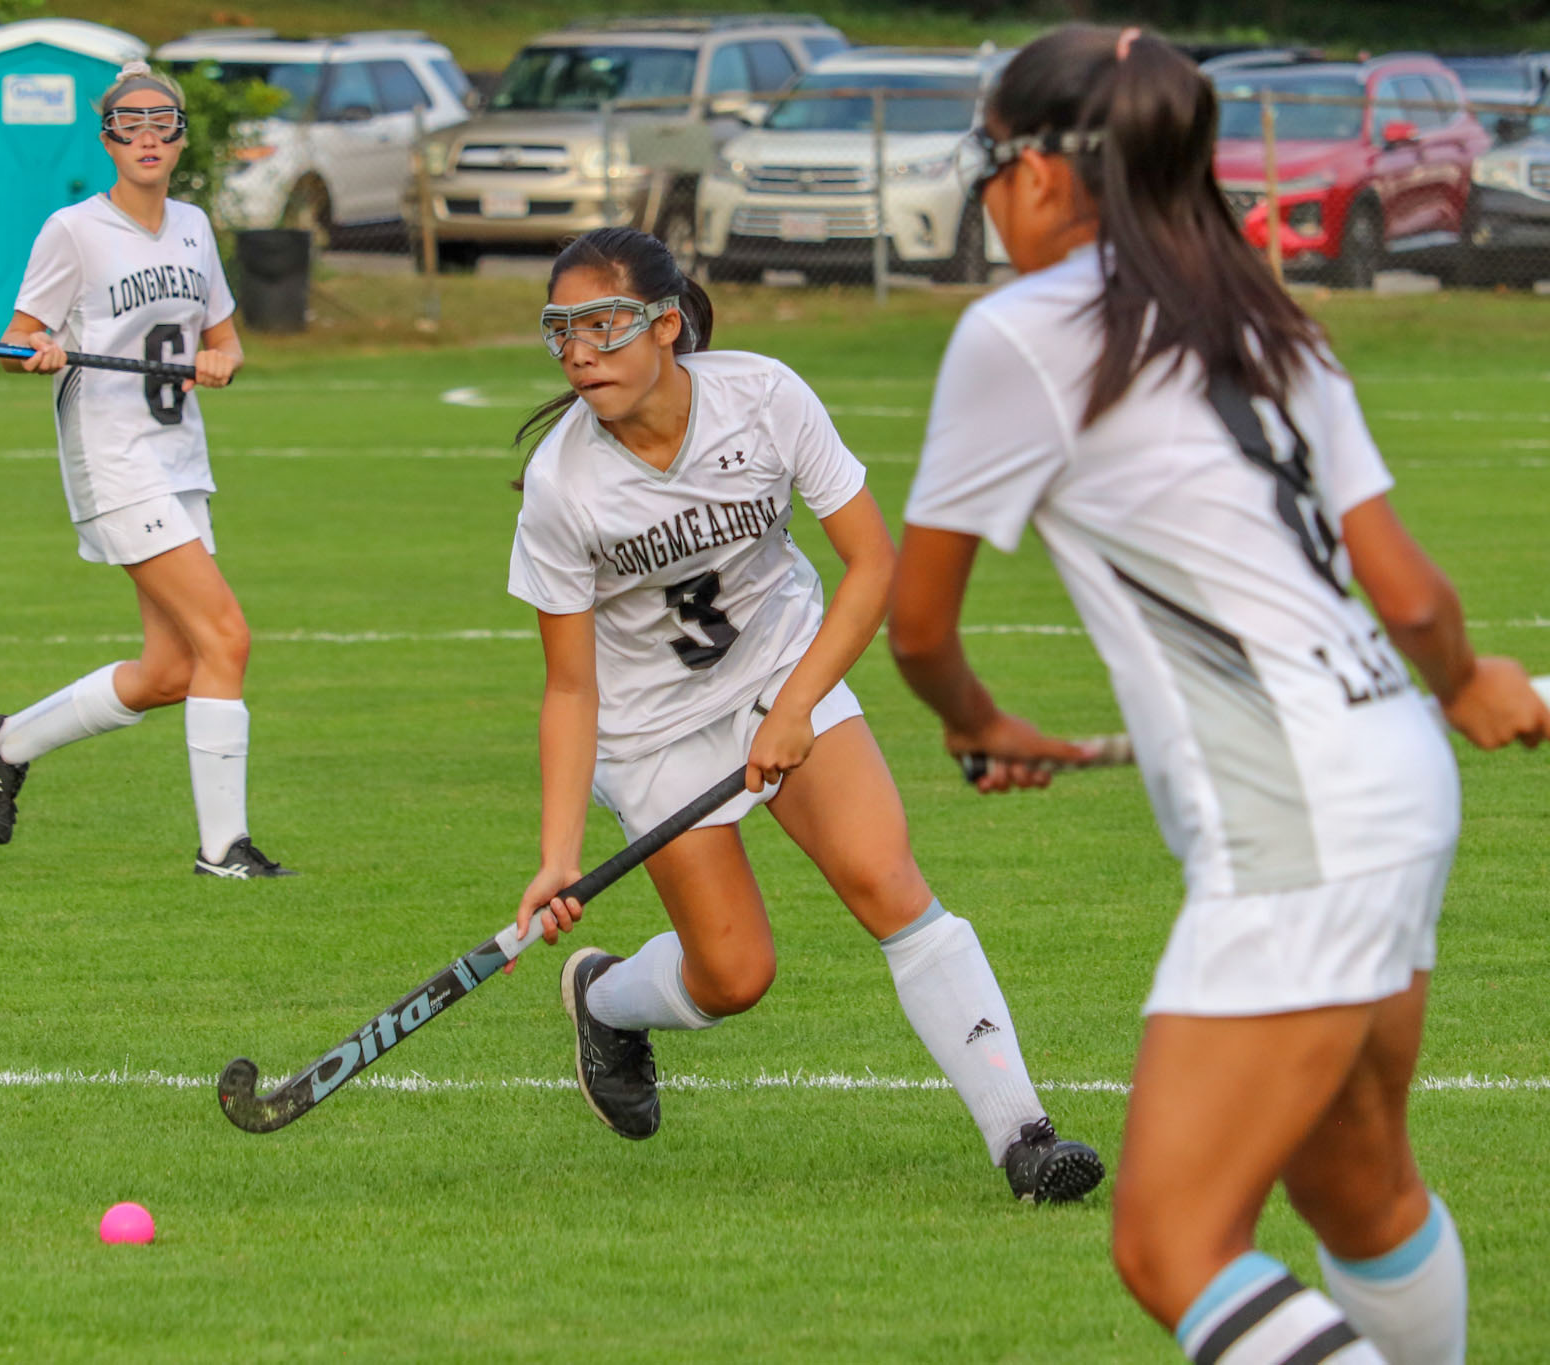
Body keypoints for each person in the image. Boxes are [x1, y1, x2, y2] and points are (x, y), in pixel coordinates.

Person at [888, 25, 1547, 1365]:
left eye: (988, 160)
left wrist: (972, 719)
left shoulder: (1018, 333)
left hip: (1293, 814)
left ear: (1052, 171)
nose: (983, 189)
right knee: (1355, 1192)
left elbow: (918, 628)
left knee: (1171, 1243)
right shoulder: (1261, 310)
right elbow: (1409, 596)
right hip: (1395, 770)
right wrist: (1468, 679)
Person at [505, 225, 1104, 1203]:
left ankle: (1025, 1141)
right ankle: (608, 1000)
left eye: (601, 325)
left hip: (787, 663)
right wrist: (556, 852)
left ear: (664, 326)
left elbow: (873, 564)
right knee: (733, 976)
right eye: (558, 330)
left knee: (886, 879)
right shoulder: (561, 486)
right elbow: (569, 687)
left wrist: (791, 708)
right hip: (650, 730)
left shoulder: (764, 397)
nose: (578, 350)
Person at [0, 60, 294, 879]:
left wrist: (224, 362)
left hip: (181, 462)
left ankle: (3, 742)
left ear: (181, 138)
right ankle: (223, 851)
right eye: (130, 123)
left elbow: (226, 339)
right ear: (107, 138)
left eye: (163, 123)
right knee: (227, 637)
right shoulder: (73, 230)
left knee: (173, 671)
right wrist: (33, 352)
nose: (148, 137)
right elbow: (19, 337)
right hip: (114, 460)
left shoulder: (193, 226)